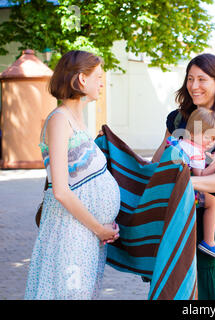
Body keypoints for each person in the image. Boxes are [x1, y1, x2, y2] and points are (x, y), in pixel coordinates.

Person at [24, 50, 120, 299]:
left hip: (84, 233)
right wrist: (99, 228)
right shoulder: (59, 120)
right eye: (97, 76)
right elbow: (60, 190)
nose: (102, 82)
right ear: (80, 80)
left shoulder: (76, 119)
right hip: (69, 232)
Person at [152, 53, 215, 300]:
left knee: (207, 280)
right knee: (174, 276)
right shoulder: (177, 119)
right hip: (175, 212)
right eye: (190, 79)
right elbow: (156, 162)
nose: (194, 86)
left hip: (210, 219)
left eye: (202, 79)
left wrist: (181, 183)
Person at [166, 108, 215, 260]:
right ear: (192, 133)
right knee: (212, 202)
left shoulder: (178, 143)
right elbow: (200, 177)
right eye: (207, 137)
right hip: (185, 193)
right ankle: (209, 242)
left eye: (214, 138)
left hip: (168, 189)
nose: (210, 142)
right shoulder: (197, 152)